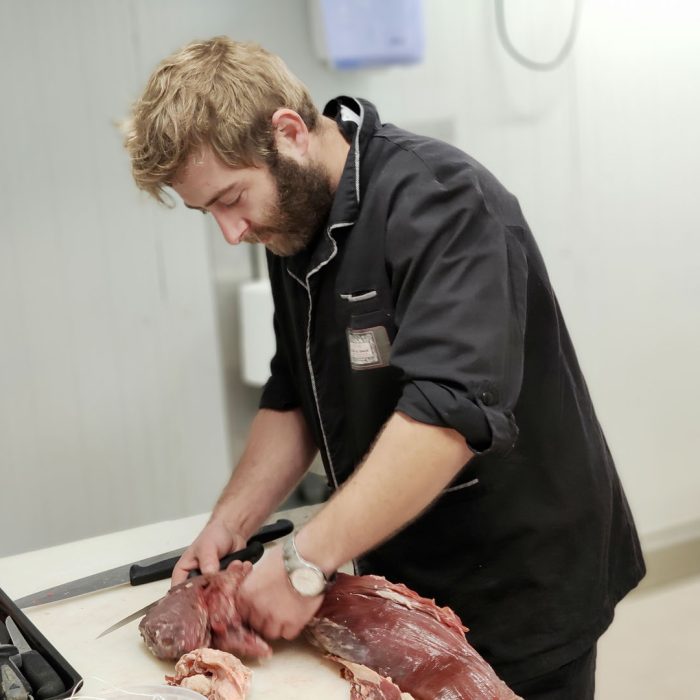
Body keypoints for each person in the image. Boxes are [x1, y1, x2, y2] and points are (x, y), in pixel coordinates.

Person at [124, 36, 645, 699]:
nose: (231, 232)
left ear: (289, 133)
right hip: (399, 569)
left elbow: (448, 412)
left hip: (519, 576)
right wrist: (230, 525)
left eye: (231, 198)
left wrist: (303, 562)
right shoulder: (290, 222)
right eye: (209, 213)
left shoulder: (444, 202)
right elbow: (294, 392)